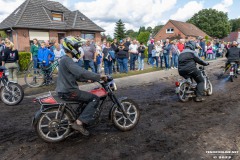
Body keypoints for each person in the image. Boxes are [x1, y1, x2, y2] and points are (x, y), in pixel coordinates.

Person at [56, 36, 107, 136]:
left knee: (87, 97)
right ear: (72, 48)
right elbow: (80, 72)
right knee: (94, 98)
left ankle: (81, 118)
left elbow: (75, 75)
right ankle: (79, 123)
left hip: (65, 90)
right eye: (77, 47)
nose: (79, 49)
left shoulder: (65, 60)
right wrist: (99, 76)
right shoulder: (67, 60)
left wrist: (88, 79)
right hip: (69, 91)